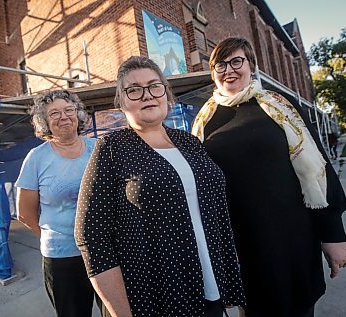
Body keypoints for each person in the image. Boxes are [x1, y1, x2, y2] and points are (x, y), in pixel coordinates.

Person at [192, 37, 346, 317]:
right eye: (219, 65)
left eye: (236, 61)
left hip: (292, 241)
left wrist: (333, 234)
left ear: (251, 66)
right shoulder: (204, 120)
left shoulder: (280, 107)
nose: (228, 69)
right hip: (242, 247)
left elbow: (319, 169)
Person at [75, 56, 245, 317]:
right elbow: (91, 236)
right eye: (134, 90)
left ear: (167, 94)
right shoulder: (112, 148)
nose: (147, 96)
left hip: (209, 289)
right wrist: (122, 312)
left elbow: (217, 213)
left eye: (155, 86)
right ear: (121, 101)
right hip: (154, 298)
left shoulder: (189, 142)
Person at [15, 90, 97, 317]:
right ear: (45, 122)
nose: (63, 117)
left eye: (69, 110)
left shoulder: (98, 148)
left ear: (78, 114)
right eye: (54, 113)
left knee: (114, 310)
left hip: (103, 249)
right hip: (62, 255)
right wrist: (52, 236)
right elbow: (24, 213)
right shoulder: (36, 158)